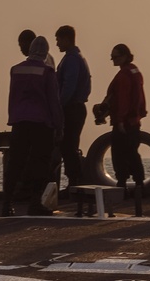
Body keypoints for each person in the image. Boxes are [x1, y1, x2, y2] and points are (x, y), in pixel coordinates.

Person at [4, 35, 63, 216]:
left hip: (19, 121)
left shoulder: (16, 70)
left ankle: (6, 204)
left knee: (15, 163)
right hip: (41, 124)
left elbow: (12, 96)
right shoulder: (47, 72)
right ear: (45, 53)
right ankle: (35, 203)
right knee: (40, 163)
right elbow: (54, 101)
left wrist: (13, 117)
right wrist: (59, 126)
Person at [101, 44, 147, 193]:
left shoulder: (123, 76)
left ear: (124, 56)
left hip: (124, 122)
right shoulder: (135, 71)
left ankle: (122, 184)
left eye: (115, 57)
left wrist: (120, 120)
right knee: (133, 152)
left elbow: (123, 99)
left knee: (120, 154)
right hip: (134, 120)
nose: (113, 60)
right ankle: (139, 183)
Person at [54, 25, 92, 192]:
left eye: (59, 40)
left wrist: (59, 104)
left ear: (67, 39)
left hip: (71, 108)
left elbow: (69, 85)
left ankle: (74, 182)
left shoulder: (71, 60)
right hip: (76, 107)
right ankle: (74, 182)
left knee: (68, 146)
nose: (57, 44)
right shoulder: (77, 58)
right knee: (69, 145)